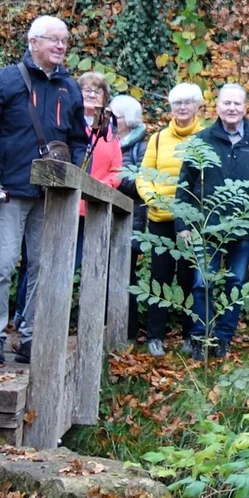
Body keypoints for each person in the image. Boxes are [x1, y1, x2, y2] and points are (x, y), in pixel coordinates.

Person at [0, 16, 90, 365]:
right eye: (54, 39)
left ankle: (31, 336)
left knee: (42, 265)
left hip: (51, 194)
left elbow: (78, 139)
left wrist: (73, 173)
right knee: (2, 265)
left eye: (65, 40)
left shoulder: (70, 87)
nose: (61, 46)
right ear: (33, 41)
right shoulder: (5, 80)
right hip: (10, 189)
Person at [180, 84, 249, 359]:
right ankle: (199, 338)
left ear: (246, 107)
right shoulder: (201, 140)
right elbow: (185, 184)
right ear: (216, 106)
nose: (232, 108)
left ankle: (223, 339)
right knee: (201, 283)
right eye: (226, 103)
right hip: (206, 227)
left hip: (243, 230)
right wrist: (182, 224)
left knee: (235, 286)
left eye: (237, 104)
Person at [136, 83, 205, 356]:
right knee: (160, 277)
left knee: (189, 279)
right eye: (178, 103)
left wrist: (189, 211)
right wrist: (155, 200)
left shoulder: (205, 137)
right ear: (171, 107)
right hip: (161, 218)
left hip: (190, 222)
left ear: (198, 106)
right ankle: (155, 337)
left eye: (188, 102)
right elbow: (144, 175)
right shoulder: (157, 139)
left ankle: (190, 336)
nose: (183, 108)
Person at [110, 95, 150, 343]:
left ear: (129, 119)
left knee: (127, 278)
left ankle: (128, 332)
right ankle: (108, 327)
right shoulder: (106, 141)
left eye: (117, 116)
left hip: (130, 220)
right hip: (106, 219)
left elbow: (142, 183)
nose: (113, 120)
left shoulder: (140, 146)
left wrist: (113, 179)